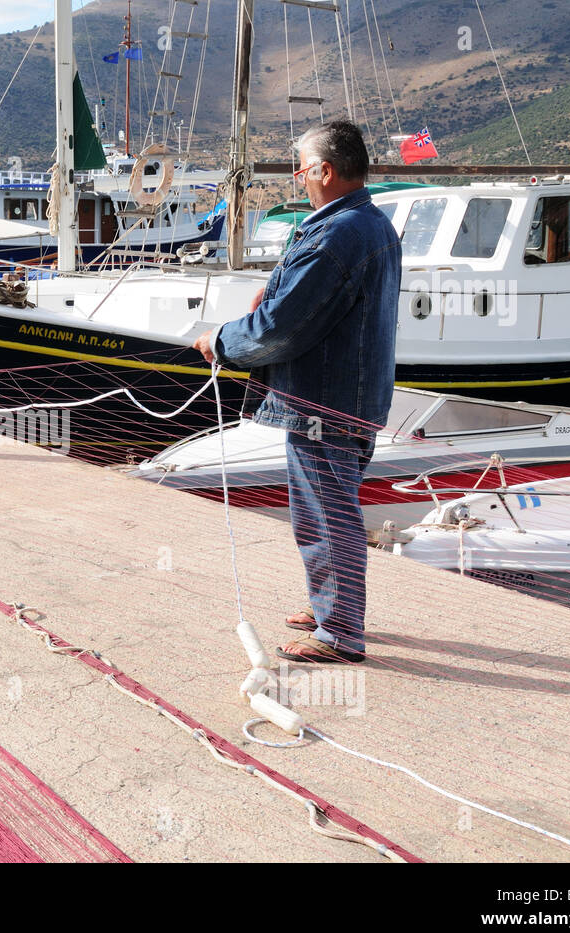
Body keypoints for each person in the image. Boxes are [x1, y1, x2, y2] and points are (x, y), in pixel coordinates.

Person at [194, 120, 402, 664]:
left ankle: (339, 633)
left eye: (303, 167)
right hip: (353, 396)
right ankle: (331, 604)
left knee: (325, 515)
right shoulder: (369, 223)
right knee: (324, 511)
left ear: (325, 171)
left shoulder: (337, 235)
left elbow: (279, 331)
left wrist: (220, 341)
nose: (297, 176)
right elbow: (310, 302)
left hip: (324, 403)